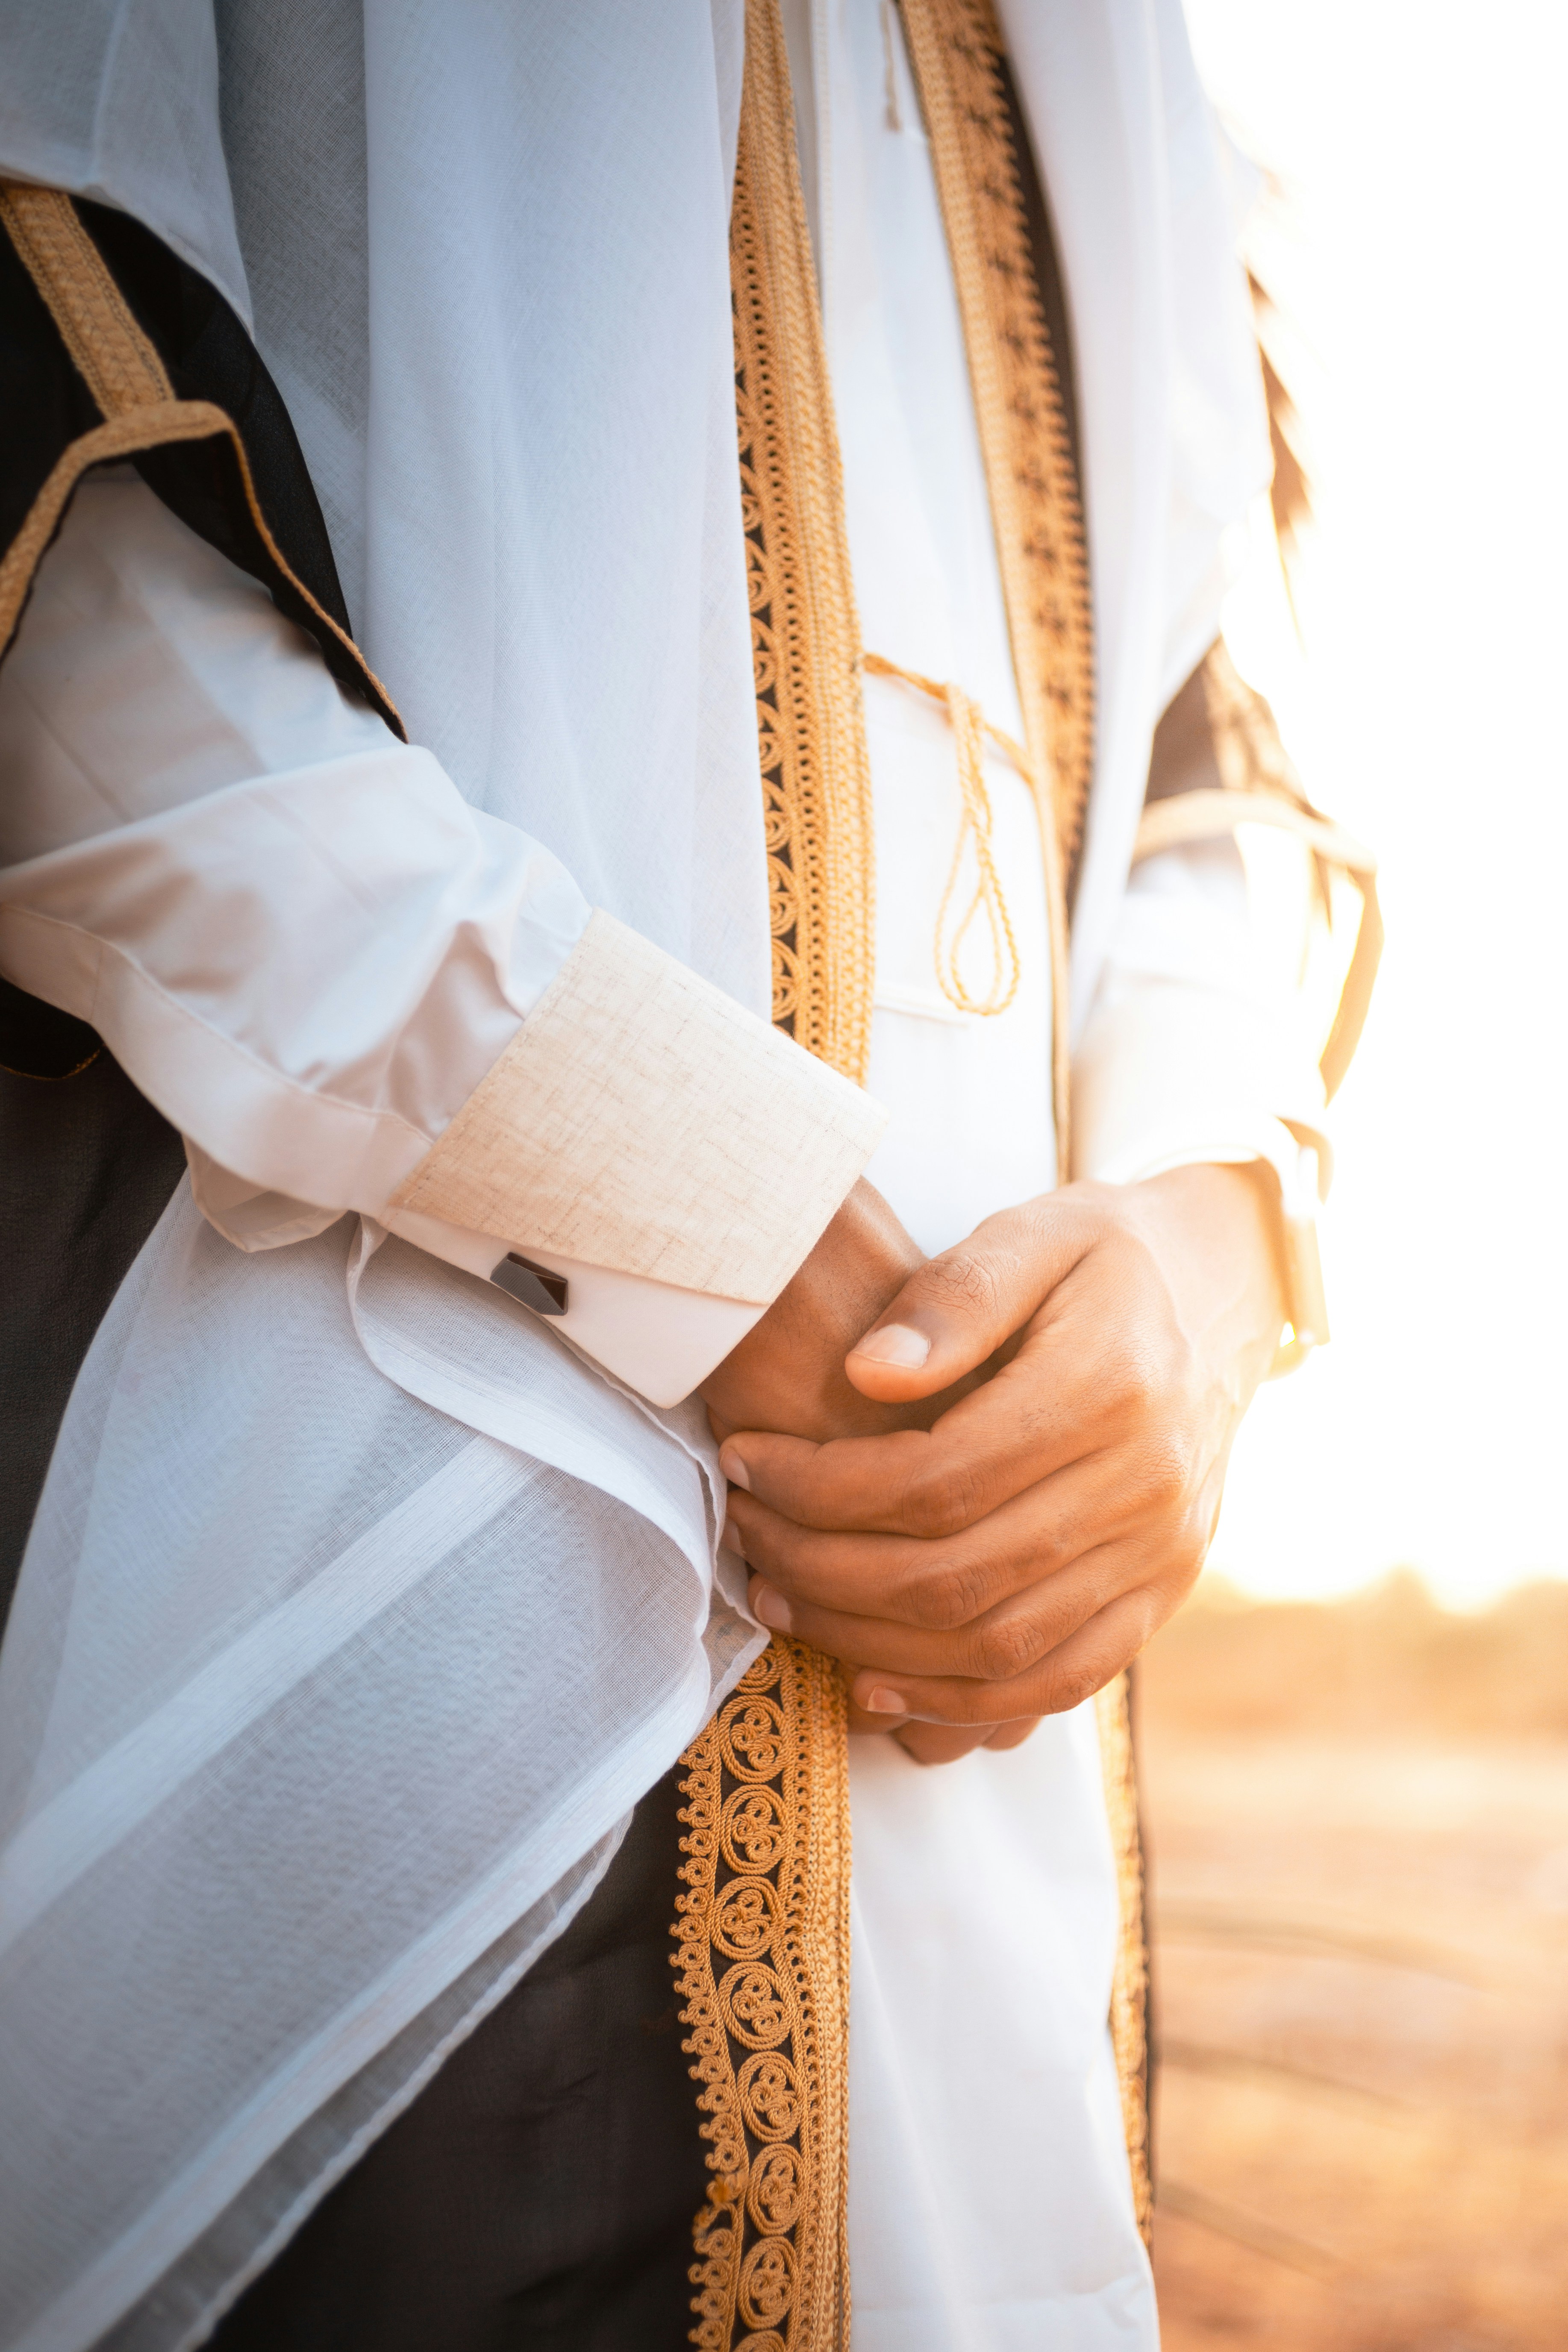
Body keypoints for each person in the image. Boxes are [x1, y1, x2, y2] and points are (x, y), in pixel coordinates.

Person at [0, 3, 1377, 2347]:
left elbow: (1218, 742)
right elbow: (73, 590)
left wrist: (1194, 1267)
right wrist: (709, 1225)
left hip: (986, 1719)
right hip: (372, 1621)